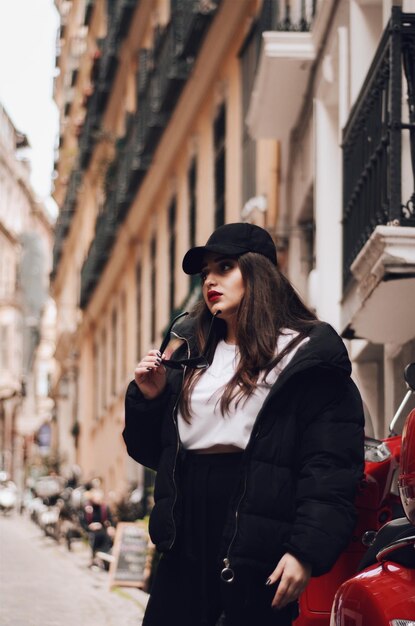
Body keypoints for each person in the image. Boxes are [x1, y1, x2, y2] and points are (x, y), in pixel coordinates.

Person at [123, 223, 364, 626]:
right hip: (185, 541)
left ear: (258, 272)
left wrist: (305, 551)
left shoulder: (302, 354)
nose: (211, 281)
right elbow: (153, 454)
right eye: (205, 275)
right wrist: (150, 398)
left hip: (257, 536)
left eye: (225, 267)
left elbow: (330, 466)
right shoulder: (194, 356)